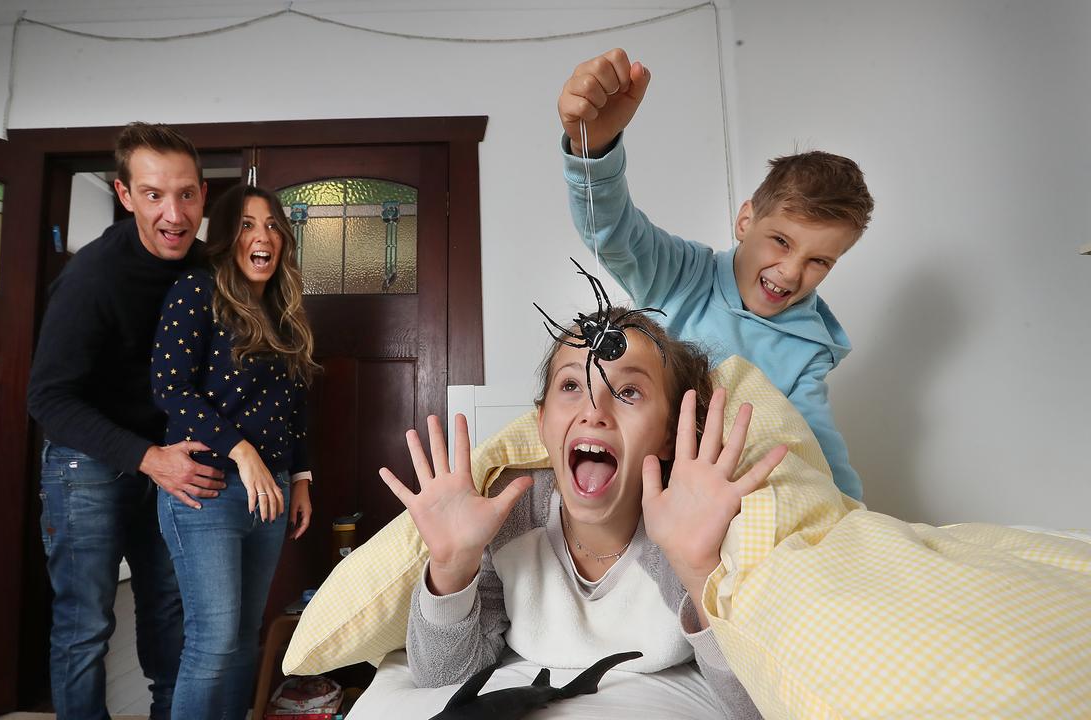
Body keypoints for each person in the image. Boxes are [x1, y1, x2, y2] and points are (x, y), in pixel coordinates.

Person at [380, 310, 787, 720]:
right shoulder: (508, 513)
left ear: (669, 434)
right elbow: (443, 677)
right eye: (572, 384)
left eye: (629, 392)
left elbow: (756, 707)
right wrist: (451, 566)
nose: (595, 410)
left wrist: (699, 570)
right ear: (542, 423)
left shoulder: (695, 524)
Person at [557, 48, 873, 500]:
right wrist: (594, 150)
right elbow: (613, 232)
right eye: (780, 241)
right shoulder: (683, 272)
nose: (790, 272)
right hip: (632, 466)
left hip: (708, 495)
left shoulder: (809, 345)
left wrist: (853, 519)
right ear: (746, 221)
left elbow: (815, 445)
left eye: (819, 261)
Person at [28, 123, 226, 720]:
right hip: (85, 462)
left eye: (186, 194)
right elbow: (49, 399)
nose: (174, 213)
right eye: (154, 195)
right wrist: (147, 458)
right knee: (85, 623)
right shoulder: (91, 279)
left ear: (202, 195)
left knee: (169, 609)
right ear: (125, 195)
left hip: (169, 462)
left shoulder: (208, 273)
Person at [151, 183, 317, 718]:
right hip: (206, 490)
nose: (263, 236)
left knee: (245, 639)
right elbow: (170, 387)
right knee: (215, 641)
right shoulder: (196, 292)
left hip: (267, 496)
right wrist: (242, 452)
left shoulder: (285, 312)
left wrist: (300, 478)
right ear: (226, 237)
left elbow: (296, 404)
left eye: (272, 225)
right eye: (248, 224)